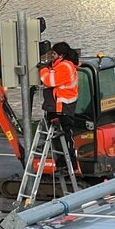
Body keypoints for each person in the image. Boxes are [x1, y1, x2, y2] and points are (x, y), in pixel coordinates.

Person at [38, 42, 79, 171]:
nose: (51, 56)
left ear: (61, 55)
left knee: (66, 138)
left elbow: (49, 81)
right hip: (59, 107)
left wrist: (43, 69)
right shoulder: (62, 65)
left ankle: (69, 165)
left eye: (54, 54)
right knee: (58, 139)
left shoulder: (65, 67)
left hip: (62, 108)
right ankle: (62, 164)